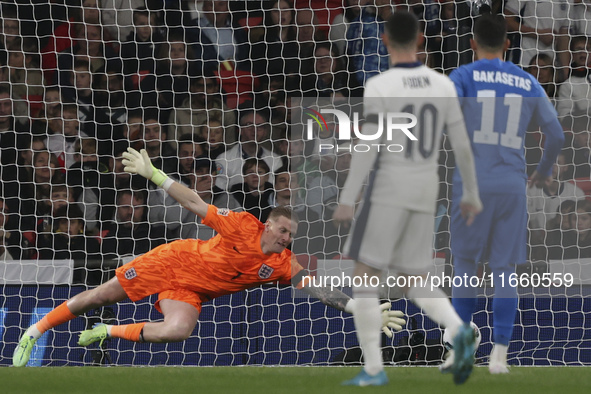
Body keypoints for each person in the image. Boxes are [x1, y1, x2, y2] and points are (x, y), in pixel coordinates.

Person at [12, 146, 406, 367]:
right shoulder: (240, 224)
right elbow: (195, 202)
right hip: (171, 261)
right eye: (283, 231)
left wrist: (360, 309)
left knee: (179, 331)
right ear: (268, 225)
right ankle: (35, 331)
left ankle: (108, 331)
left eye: (292, 235)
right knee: (100, 296)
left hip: (189, 291)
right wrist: (155, 176)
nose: (287, 239)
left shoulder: (284, 265)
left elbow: (319, 288)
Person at [332, 11, 482, 386]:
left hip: (390, 187)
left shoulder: (381, 84)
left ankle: (372, 370)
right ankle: (459, 330)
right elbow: (462, 144)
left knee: (364, 276)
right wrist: (472, 194)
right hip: (426, 190)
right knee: (415, 278)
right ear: (420, 40)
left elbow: (367, 146)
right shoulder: (442, 84)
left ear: (384, 41)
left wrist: (349, 196)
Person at [446, 13, 564, 375]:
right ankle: (499, 355)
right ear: (508, 45)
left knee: (465, 265)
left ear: (472, 43)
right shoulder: (528, 80)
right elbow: (556, 135)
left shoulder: (462, 76)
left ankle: (461, 351)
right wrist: (542, 173)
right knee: (504, 269)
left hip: (471, 183)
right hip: (512, 184)